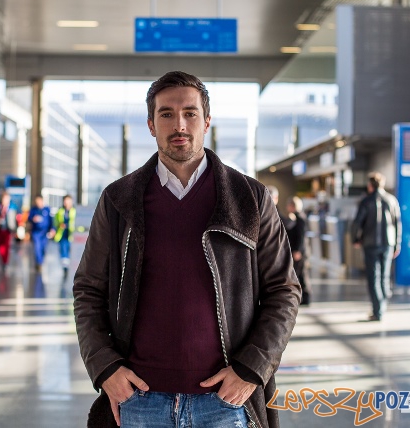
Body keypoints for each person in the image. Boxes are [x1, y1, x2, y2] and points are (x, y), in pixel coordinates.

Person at [73, 71, 301, 428]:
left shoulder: (250, 199)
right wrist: (105, 368)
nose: (179, 124)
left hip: (225, 402)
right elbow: (88, 290)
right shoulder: (119, 200)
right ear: (151, 124)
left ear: (206, 121)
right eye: (166, 114)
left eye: (190, 113)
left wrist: (251, 369)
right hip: (139, 400)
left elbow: (284, 290)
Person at [352, 172, 401, 321]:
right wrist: (397, 243)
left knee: (373, 277)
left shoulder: (366, 201)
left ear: (370, 185)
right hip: (388, 243)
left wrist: (356, 238)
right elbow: (397, 222)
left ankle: (378, 310)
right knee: (385, 276)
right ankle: (383, 303)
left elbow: (357, 223)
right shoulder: (392, 200)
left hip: (370, 243)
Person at [285, 196, 311, 305]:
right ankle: (305, 297)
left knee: (299, 274)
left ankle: (304, 296)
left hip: (299, 252)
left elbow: (301, 236)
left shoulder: (299, 218)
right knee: (302, 274)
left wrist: (297, 251)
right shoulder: (298, 217)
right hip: (301, 251)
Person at [0, 192, 17, 268]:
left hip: (8, 229)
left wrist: (15, 230)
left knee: (6, 245)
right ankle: (2, 259)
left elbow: (16, 219)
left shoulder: (12, 207)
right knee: (0, 246)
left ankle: (5, 261)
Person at [27, 195, 54, 270]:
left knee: (43, 248)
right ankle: (39, 263)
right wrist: (33, 219)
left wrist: (52, 229)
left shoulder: (47, 209)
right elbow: (29, 219)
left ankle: (41, 260)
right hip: (36, 232)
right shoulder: (33, 210)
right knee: (37, 247)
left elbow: (51, 220)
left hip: (45, 232)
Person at [54, 195, 76, 276]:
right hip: (62, 235)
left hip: (71, 235)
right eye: (65, 201)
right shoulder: (60, 211)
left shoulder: (74, 211)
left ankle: (71, 268)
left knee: (71, 252)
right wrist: (59, 225)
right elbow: (55, 222)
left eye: (68, 201)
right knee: (63, 252)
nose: (66, 203)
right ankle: (65, 269)